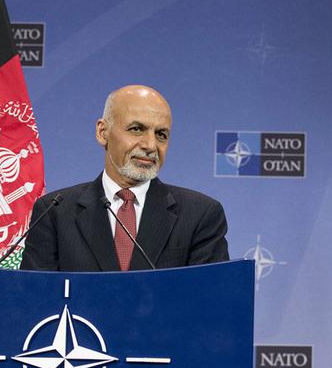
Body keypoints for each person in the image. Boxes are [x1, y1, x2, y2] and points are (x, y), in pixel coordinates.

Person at [20, 84, 229, 271]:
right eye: (137, 129)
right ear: (103, 132)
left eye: (161, 135)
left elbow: (211, 303)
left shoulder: (200, 215)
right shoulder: (55, 211)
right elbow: (35, 302)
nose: (150, 145)